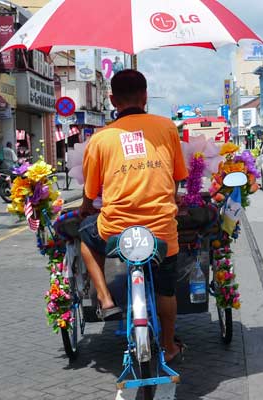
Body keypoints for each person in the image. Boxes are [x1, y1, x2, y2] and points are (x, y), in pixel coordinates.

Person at [79, 69, 188, 363]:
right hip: (161, 230)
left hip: (116, 231)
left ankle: (104, 299)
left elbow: (91, 191)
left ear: (112, 99)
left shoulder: (100, 139)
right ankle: (168, 344)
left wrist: (86, 207)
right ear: (145, 96)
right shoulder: (166, 128)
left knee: (85, 238)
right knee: (166, 288)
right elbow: (177, 178)